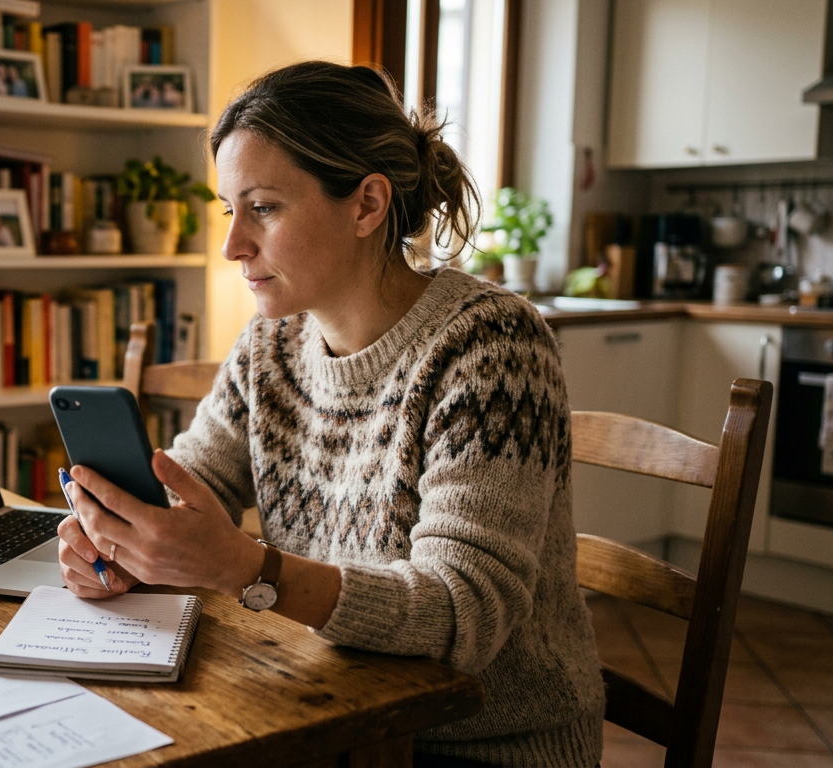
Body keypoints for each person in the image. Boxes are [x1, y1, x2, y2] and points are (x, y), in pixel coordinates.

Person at [57, 61, 605, 768]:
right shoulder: (272, 344)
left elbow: (463, 613)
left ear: (367, 204)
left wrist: (246, 569)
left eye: (265, 207)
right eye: (231, 211)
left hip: (480, 742)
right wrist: (128, 543)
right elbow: (193, 475)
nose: (233, 247)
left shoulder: (493, 347)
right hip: (330, 708)